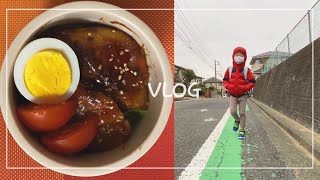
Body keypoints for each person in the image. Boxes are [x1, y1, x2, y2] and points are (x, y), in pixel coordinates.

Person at [222, 47, 256, 140]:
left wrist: (244, 88)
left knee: (242, 112)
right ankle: (237, 120)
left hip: (243, 95)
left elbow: (252, 82)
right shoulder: (230, 69)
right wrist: (229, 87)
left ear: (244, 57)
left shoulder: (246, 70)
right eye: (237, 55)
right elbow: (225, 80)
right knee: (232, 111)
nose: (239, 57)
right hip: (232, 95)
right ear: (233, 56)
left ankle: (242, 130)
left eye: (241, 55)